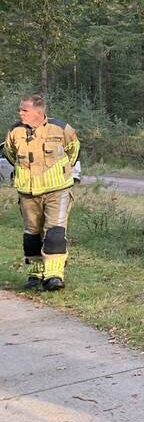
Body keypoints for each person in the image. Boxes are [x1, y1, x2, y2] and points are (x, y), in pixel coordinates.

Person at [3, 94, 80, 291]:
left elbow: (74, 149)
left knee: (55, 232)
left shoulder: (61, 128)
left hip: (57, 189)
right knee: (32, 235)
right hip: (28, 192)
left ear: (39, 112)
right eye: (20, 109)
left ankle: (54, 276)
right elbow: (11, 154)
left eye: (24, 110)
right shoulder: (15, 131)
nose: (20, 113)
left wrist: (61, 172)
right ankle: (35, 275)